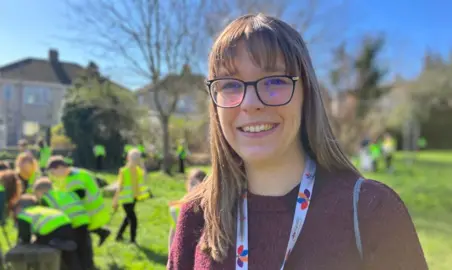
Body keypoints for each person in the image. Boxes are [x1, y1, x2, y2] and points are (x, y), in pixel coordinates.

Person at [168, 14, 428, 270]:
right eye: (230, 85)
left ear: (307, 94)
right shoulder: (196, 215)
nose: (250, 103)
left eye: (274, 81)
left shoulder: (372, 212)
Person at [46, 156, 111, 247]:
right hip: (89, 208)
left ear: (60, 168)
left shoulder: (75, 178)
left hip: (89, 209)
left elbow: (78, 196)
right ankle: (102, 233)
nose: (53, 176)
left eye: (53, 172)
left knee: (79, 231)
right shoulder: (74, 173)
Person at [33, 177, 94, 270]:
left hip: (70, 225)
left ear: (40, 192)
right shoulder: (65, 193)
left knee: (70, 252)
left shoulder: (46, 198)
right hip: (83, 221)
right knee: (84, 250)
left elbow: (49, 219)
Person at [14, 194, 81, 270]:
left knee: (40, 243)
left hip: (51, 230)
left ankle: (53, 242)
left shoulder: (24, 214)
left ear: (19, 207)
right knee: (69, 257)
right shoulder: (42, 209)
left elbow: (25, 237)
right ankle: (60, 243)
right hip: (67, 224)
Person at [113, 149, 150, 244]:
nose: (136, 160)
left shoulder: (137, 170)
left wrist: (142, 165)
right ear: (128, 158)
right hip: (125, 200)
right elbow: (119, 186)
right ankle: (132, 240)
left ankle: (118, 236)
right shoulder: (124, 171)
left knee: (127, 218)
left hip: (133, 198)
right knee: (133, 219)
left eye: (137, 158)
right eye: (134, 158)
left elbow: (145, 178)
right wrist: (115, 200)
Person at [168, 169, 206, 254]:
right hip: (181, 247)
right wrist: (170, 253)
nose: (192, 188)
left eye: (195, 184)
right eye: (191, 184)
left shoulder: (205, 206)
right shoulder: (180, 205)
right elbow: (173, 231)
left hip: (198, 249)